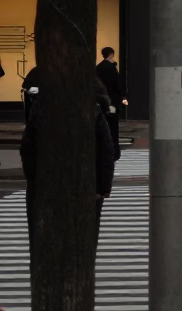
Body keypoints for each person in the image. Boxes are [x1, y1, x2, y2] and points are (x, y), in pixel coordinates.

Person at [21, 79, 116, 263]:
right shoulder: (93, 112)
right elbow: (106, 152)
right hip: (85, 187)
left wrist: (33, 179)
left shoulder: (42, 108)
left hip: (46, 187)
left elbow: (27, 148)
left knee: (45, 244)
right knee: (83, 243)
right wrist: (101, 189)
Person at [95, 46, 127, 159]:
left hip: (101, 101)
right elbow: (117, 85)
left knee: (103, 124)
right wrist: (123, 97)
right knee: (113, 126)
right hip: (112, 101)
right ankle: (113, 150)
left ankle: (104, 149)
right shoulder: (111, 68)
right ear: (111, 54)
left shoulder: (98, 68)